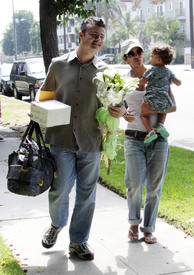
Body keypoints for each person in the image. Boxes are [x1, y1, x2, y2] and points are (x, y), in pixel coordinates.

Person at [35, 16, 107, 260]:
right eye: (93, 34)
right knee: (60, 189)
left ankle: (78, 242)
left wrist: (121, 110)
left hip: (91, 141)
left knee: (87, 195)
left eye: (101, 37)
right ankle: (56, 225)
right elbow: (44, 98)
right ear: (81, 34)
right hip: (61, 139)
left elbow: (117, 104)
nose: (97, 40)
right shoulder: (57, 65)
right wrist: (38, 108)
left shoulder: (105, 71)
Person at [108, 38, 176, 244]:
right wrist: (123, 114)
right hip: (133, 139)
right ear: (125, 58)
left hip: (158, 140)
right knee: (135, 184)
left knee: (155, 187)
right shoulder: (122, 81)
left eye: (139, 51)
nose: (136, 55)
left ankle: (148, 229)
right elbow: (115, 109)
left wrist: (150, 108)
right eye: (131, 53)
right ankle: (133, 224)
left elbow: (172, 106)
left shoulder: (157, 73)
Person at [140, 43, 181, 144]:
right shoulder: (169, 72)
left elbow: (142, 82)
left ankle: (151, 132)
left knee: (144, 115)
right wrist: (171, 82)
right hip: (164, 100)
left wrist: (141, 82)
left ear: (159, 59)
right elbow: (179, 83)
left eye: (152, 56)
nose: (150, 58)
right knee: (163, 110)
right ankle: (160, 124)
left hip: (151, 100)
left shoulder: (151, 70)